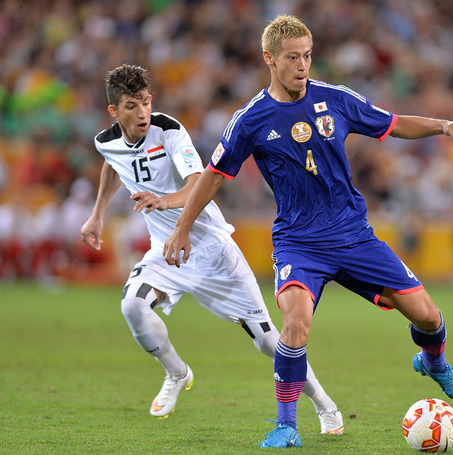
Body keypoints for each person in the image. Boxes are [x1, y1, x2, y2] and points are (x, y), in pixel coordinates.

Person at [163, 15, 453, 449]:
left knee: (427, 315)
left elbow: (392, 123)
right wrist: (182, 228)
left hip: (353, 235)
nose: (303, 65)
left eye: (308, 56)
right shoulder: (250, 119)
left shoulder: (336, 100)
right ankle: (286, 424)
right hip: (299, 242)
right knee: (295, 323)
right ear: (269, 58)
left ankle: (434, 362)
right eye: (293, 57)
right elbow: (213, 176)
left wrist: (443, 125)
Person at [80, 64, 343, 434]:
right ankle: (177, 372)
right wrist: (97, 216)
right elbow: (112, 164)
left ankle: (323, 403)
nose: (141, 112)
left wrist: (165, 201)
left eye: (145, 102)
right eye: (130, 106)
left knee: (270, 341)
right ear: (113, 111)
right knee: (132, 306)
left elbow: (198, 183)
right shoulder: (105, 141)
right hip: (168, 252)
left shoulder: (168, 130)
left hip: (212, 249)